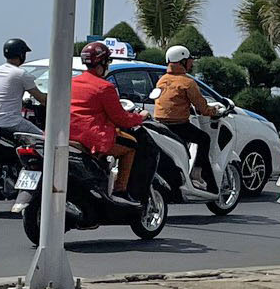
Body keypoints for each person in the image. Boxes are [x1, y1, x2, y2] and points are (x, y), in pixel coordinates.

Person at [68, 40, 143, 192]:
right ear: (102, 62)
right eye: (107, 61)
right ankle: (120, 190)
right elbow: (120, 118)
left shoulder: (72, 82)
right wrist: (141, 117)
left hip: (67, 133)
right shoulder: (104, 87)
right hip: (91, 136)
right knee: (131, 147)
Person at [151, 44, 229, 189]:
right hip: (178, 125)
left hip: (159, 123)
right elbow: (203, 108)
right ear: (182, 62)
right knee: (204, 139)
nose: (191, 63)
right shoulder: (187, 82)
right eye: (189, 60)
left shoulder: (162, 80)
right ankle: (197, 174)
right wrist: (215, 111)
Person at [0, 38, 36, 138]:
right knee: (44, 139)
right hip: (11, 123)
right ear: (21, 54)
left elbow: (5, 92)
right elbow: (41, 98)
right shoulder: (21, 74)